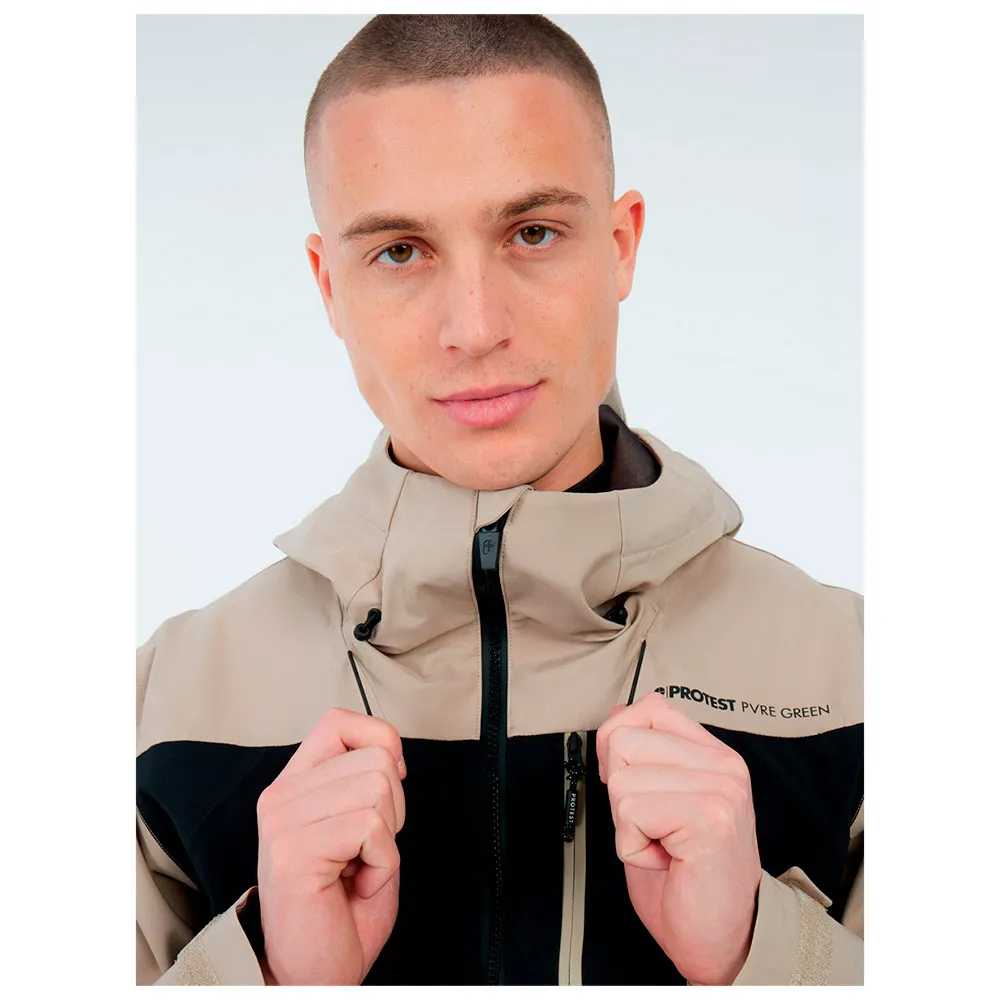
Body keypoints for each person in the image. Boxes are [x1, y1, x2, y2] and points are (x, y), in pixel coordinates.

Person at [136, 14, 863, 987]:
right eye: (400, 252)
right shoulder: (161, 704)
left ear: (620, 246)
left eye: (532, 233)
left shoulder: (864, 678)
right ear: (329, 288)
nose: (475, 327)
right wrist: (269, 971)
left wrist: (759, 954)